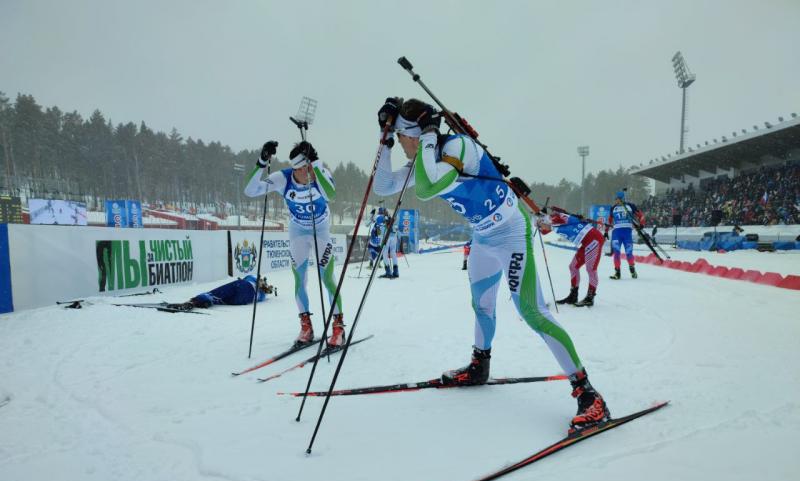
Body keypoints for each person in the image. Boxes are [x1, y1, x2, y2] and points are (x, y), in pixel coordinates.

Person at [371, 96, 609, 432]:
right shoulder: (426, 158)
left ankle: (588, 393)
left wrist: (426, 134)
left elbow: (425, 189)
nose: (400, 145)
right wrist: (383, 137)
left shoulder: (459, 147)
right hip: (483, 236)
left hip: (511, 232)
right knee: (481, 304)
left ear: (414, 134)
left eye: (399, 138)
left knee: (532, 311)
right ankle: (479, 365)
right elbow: (382, 186)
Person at [244, 140, 346, 347]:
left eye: (309, 167)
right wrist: (262, 162)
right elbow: (250, 190)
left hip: (321, 231)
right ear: (295, 168)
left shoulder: (320, 174)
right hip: (298, 231)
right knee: (300, 279)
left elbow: (332, 195)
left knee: (327, 278)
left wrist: (315, 164)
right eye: (302, 169)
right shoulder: (284, 178)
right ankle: (306, 326)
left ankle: (338, 327)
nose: (307, 173)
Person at [538, 207, 604, 307]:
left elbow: (548, 227)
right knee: (573, 266)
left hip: (595, 240)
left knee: (591, 269)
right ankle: (573, 295)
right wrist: (539, 222)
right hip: (586, 242)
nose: (551, 217)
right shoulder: (557, 219)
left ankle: (590, 298)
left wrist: (543, 222)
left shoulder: (563, 218)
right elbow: (544, 231)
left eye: (552, 215)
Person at [608, 190, 644, 280]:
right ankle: (617, 273)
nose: (615, 200)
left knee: (629, 253)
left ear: (621, 199)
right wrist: (607, 229)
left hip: (627, 233)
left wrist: (641, 225)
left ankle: (632, 270)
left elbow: (641, 216)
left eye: (617, 199)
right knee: (616, 253)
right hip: (616, 233)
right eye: (615, 199)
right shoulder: (613, 208)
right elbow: (610, 220)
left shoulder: (630, 206)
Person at [187, 275, 274, 309]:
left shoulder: (252, 279)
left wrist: (261, 284)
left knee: (217, 293)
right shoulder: (262, 297)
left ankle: (198, 300)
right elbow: (263, 291)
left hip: (242, 286)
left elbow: (247, 278)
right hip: (241, 300)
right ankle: (207, 302)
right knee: (223, 299)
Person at [375, 206, 399, 278]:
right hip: (393, 236)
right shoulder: (390, 217)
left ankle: (388, 272)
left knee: (385, 253)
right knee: (393, 252)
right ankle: (396, 271)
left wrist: (378, 242)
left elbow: (377, 227)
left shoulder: (379, 217)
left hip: (385, 236)